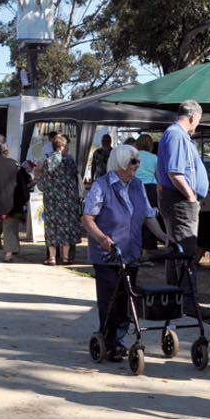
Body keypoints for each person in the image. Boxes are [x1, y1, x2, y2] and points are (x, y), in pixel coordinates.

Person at [81, 144, 159, 356]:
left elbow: (148, 216)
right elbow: (88, 218)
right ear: (120, 164)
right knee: (110, 300)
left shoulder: (138, 185)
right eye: (132, 162)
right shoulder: (102, 185)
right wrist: (101, 238)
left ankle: (119, 338)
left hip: (130, 252)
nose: (136, 166)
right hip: (107, 254)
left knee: (126, 300)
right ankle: (109, 339)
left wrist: (165, 237)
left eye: (137, 162)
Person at [157, 100, 208, 314]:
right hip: (179, 201)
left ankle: (175, 301)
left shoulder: (178, 135)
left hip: (177, 199)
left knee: (178, 252)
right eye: (199, 120)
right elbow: (174, 172)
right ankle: (187, 304)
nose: (198, 123)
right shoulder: (176, 134)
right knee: (185, 252)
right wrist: (190, 196)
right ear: (193, 117)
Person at [36, 133, 82, 265]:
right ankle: (66, 258)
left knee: (51, 228)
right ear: (62, 147)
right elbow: (74, 180)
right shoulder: (70, 161)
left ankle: (52, 258)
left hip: (52, 201)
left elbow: (42, 185)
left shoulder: (48, 161)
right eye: (66, 146)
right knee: (66, 228)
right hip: (68, 201)